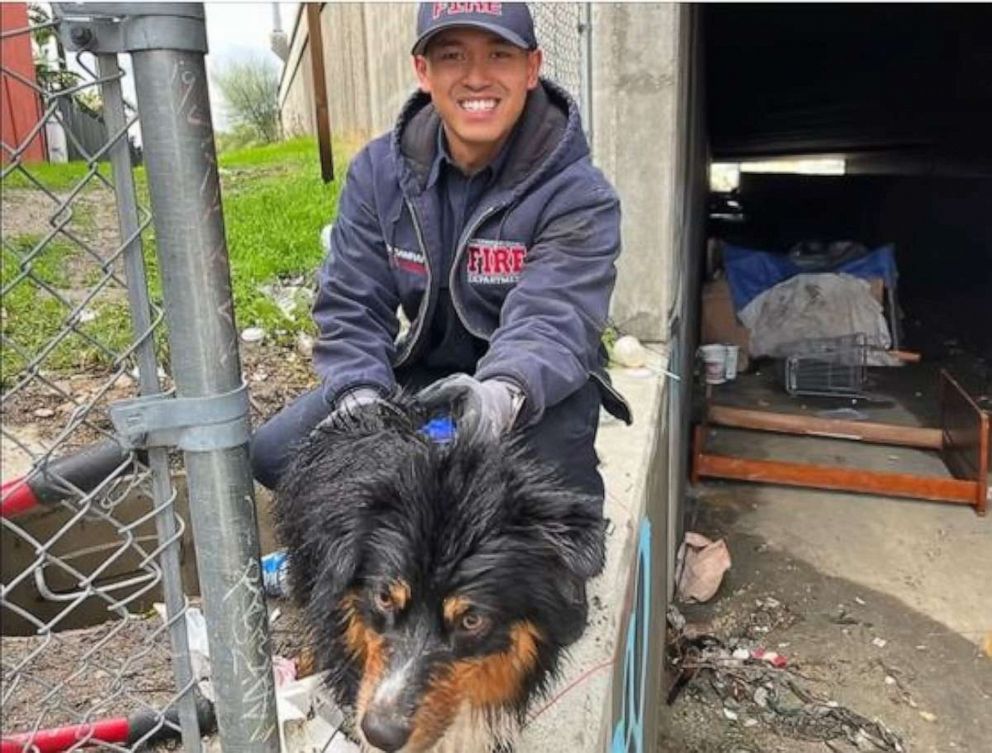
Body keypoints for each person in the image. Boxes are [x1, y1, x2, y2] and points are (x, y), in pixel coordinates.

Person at [250, 2, 630, 508]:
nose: (476, 77)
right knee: (277, 455)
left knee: (549, 513)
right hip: (426, 372)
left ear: (532, 68)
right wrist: (360, 396)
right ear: (423, 71)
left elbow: (553, 320)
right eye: (453, 56)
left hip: (533, 389)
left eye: (499, 54)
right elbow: (351, 303)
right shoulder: (379, 172)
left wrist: (498, 399)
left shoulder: (577, 193)